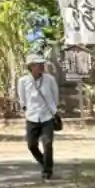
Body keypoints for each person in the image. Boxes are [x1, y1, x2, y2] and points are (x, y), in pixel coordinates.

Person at [17, 51, 60, 181]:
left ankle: (47, 171)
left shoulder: (49, 79)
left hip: (47, 116)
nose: (41, 66)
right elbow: (22, 99)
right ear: (31, 66)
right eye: (38, 64)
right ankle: (44, 162)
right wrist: (26, 109)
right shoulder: (23, 81)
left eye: (42, 64)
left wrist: (53, 110)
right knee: (31, 145)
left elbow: (55, 96)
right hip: (32, 117)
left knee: (48, 144)